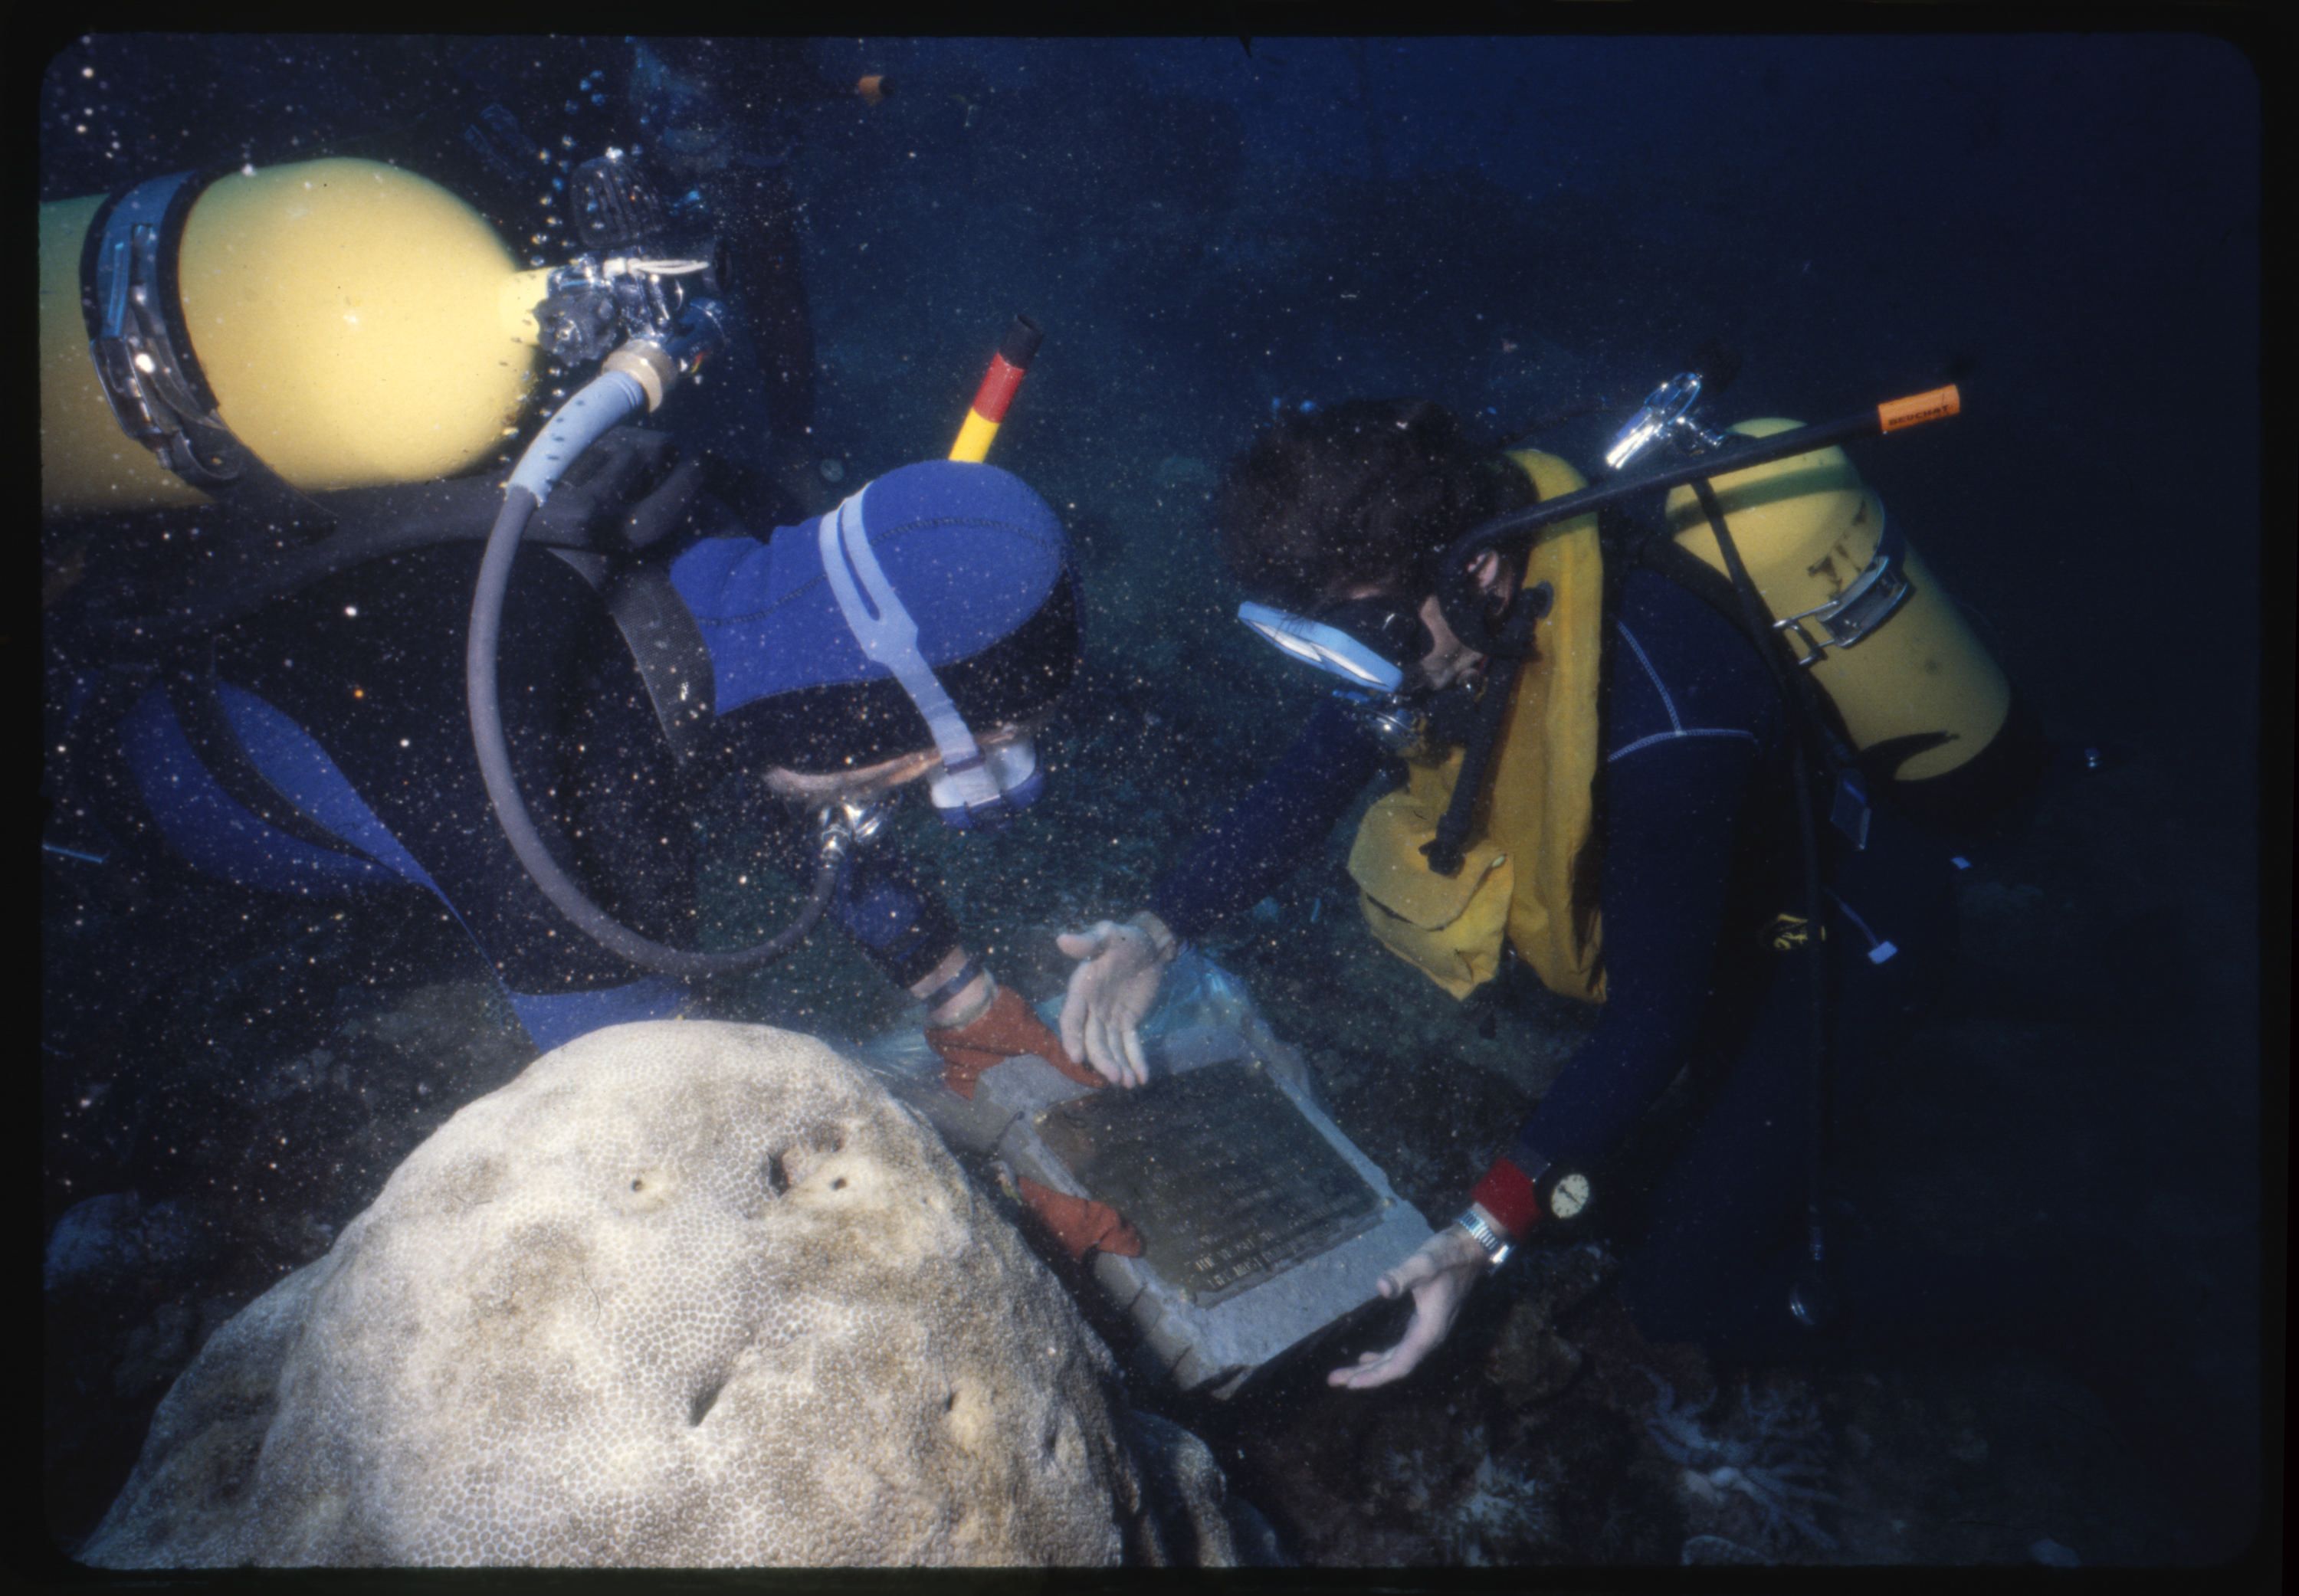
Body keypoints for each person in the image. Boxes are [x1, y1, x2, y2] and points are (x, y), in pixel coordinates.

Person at [1058, 396, 1992, 1387]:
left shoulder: (1659, 713)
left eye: (1370, 635)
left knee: (1680, 1291)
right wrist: (1156, 932)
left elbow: (1653, 1020)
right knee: (1628, 1169)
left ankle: (2079, 1308)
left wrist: (1484, 1227)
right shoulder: (1428, 624)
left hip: (1836, 944)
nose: (1358, 671)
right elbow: (1305, 784)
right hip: (1703, 923)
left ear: (1482, 573)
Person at [49, 438, 1117, 1179]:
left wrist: (965, 1002)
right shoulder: (565, 817)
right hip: (112, 790)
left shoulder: (712, 508)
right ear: (877, 716)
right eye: (956, 761)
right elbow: (673, 1142)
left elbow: (789, 756)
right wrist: (984, 1172)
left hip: (246, 596)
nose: (925, 795)